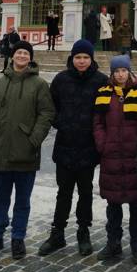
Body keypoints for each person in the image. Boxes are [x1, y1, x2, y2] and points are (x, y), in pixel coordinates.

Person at [0, 41, 55, 260]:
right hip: (0, 150)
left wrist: (34, 139)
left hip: (26, 152)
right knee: (0, 198)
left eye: (25, 53)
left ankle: (18, 238)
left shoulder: (39, 84)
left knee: (22, 200)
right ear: (13, 57)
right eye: (19, 52)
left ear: (30, 58)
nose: (22, 56)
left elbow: (47, 113)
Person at [38, 39, 108, 257]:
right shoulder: (61, 79)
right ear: (72, 58)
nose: (81, 61)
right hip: (65, 146)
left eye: (86, 57)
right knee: (63, 192)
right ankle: (57, 233)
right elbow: (51, 106)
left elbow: (105, 111)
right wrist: (62, 123)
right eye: (78, 57)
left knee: (86, 192)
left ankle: (83, 232)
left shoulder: (101, 80)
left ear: (91, 59)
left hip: (88, 147)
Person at [93, 55, 137, 265]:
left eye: (124, 71)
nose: (120, 74)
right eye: (116, 71)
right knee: (113, 206)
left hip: (134, 159)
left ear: (129, 72)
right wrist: (103, 144)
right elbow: (98, 123)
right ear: (112, 73)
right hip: (112, 159)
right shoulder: (103, 94)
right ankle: (113, 244)